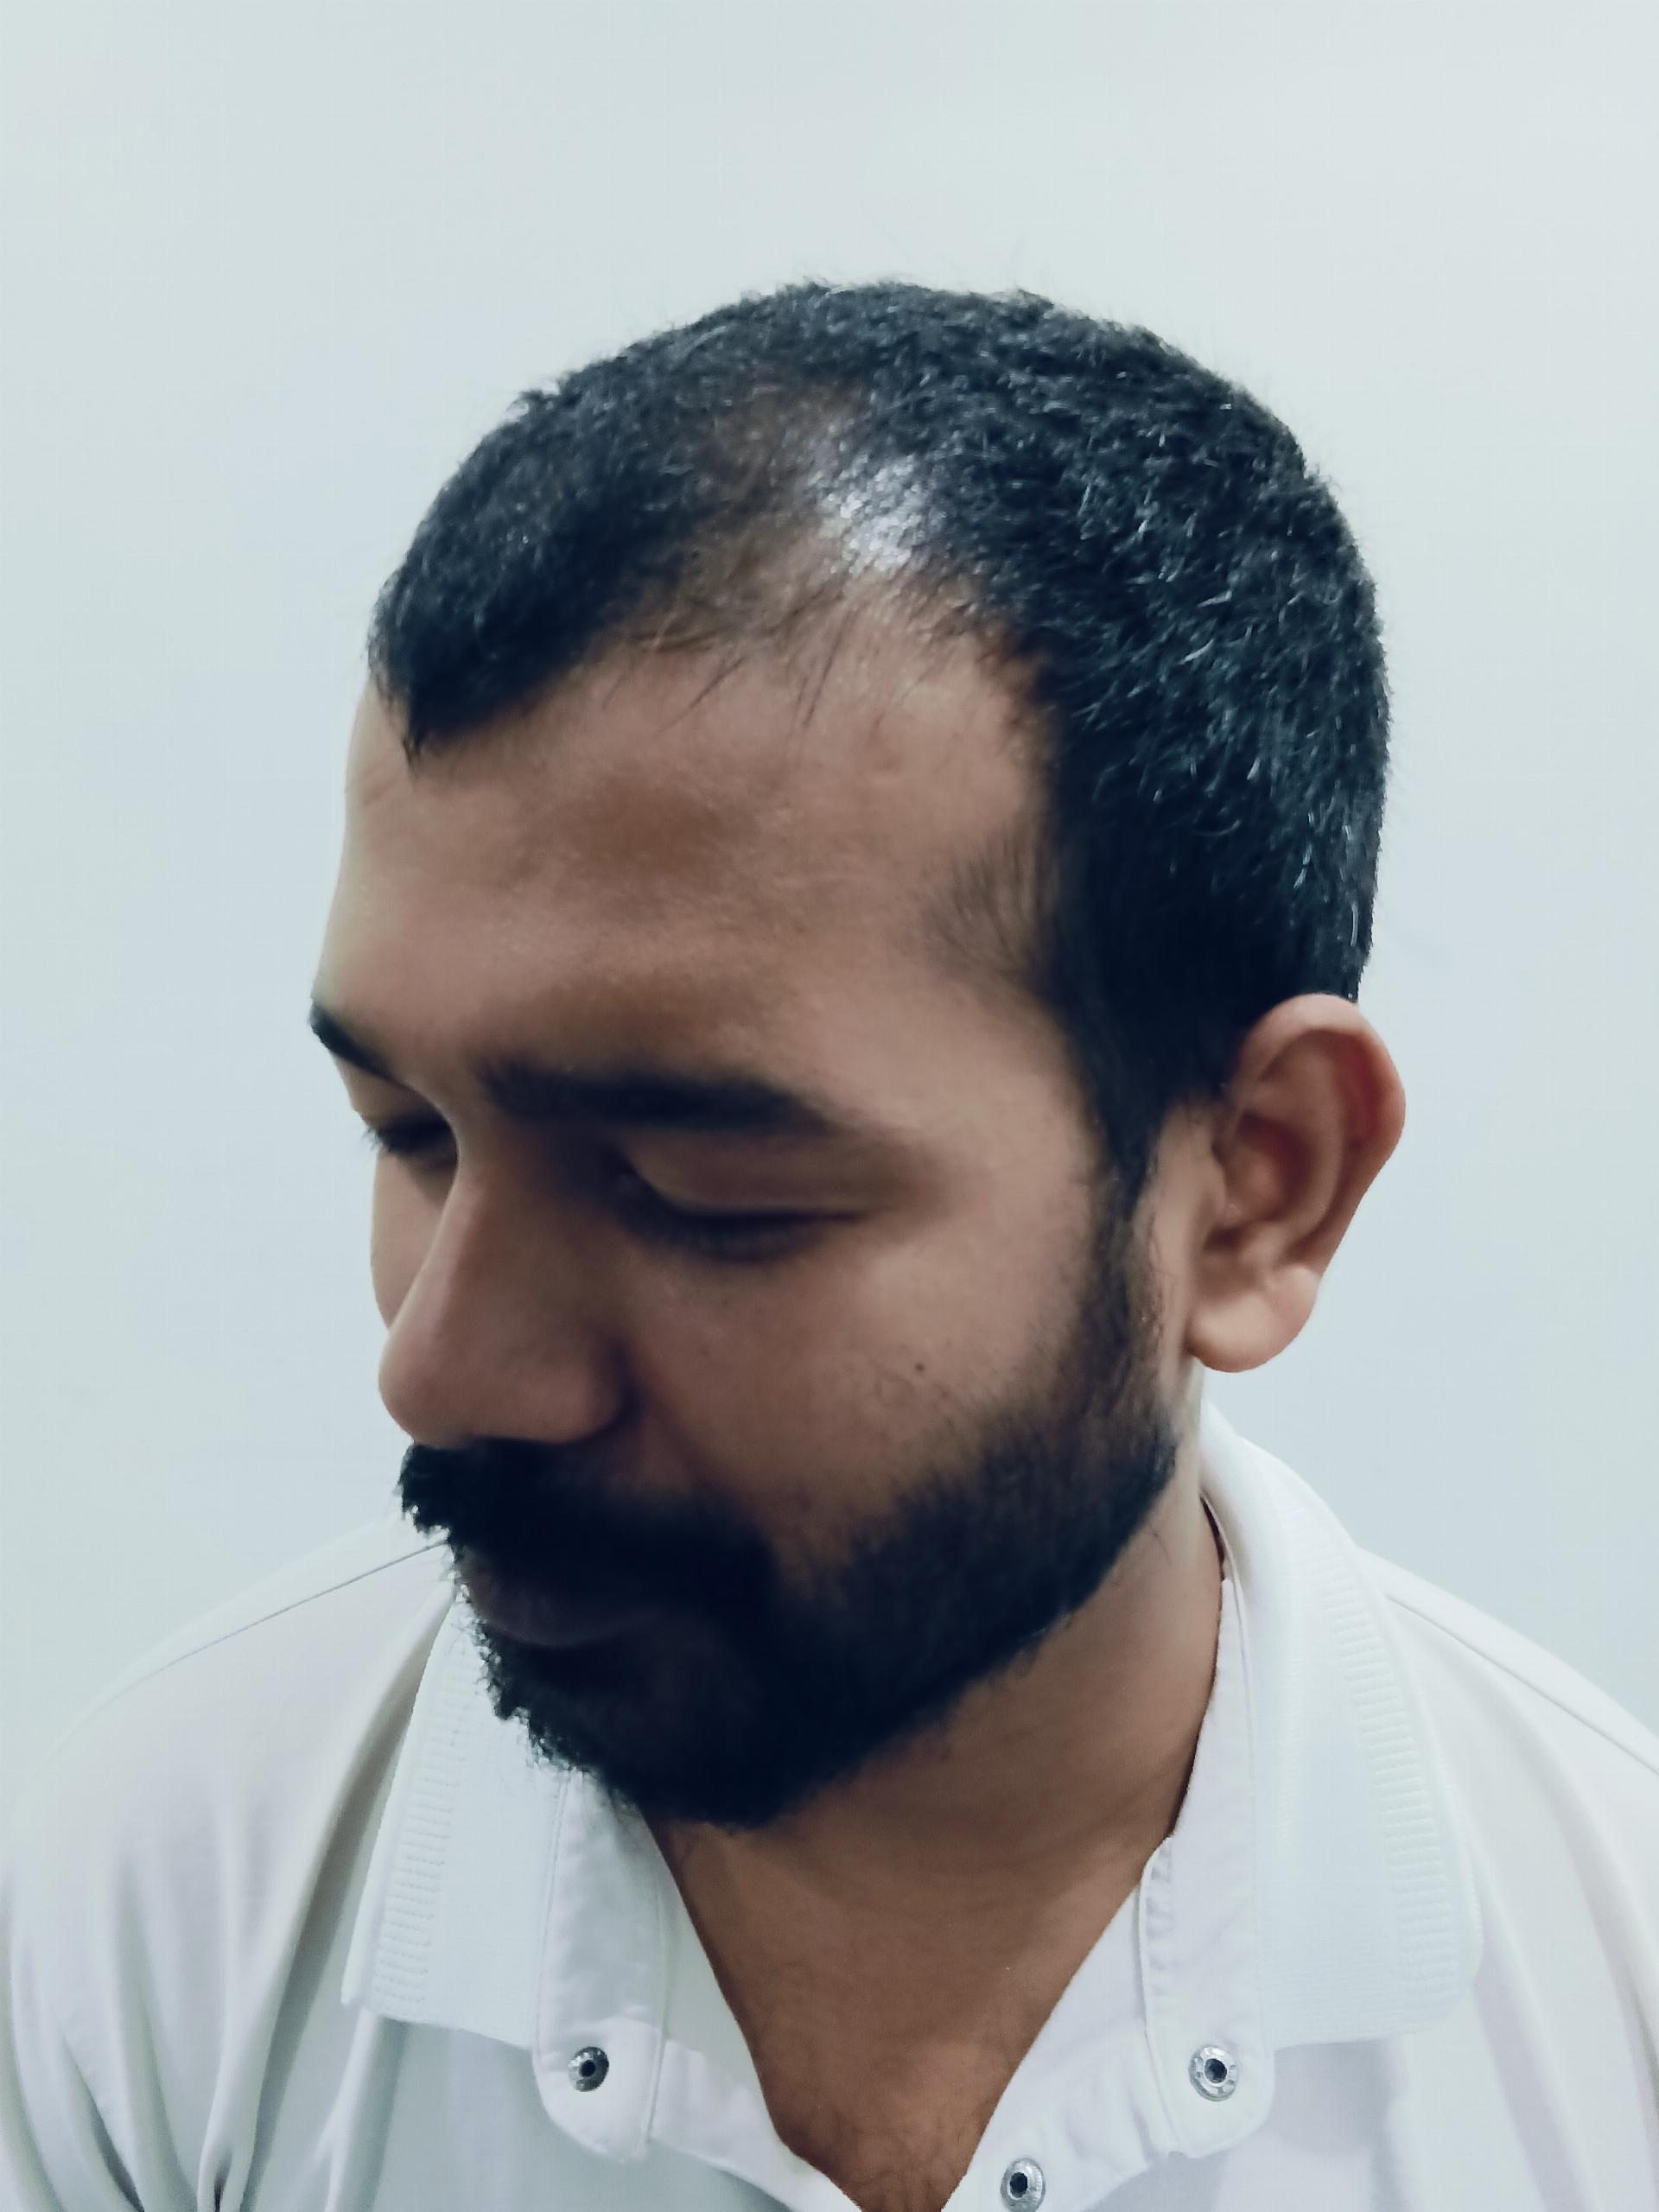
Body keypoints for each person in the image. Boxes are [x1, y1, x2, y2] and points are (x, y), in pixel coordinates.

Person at [3, 282, 1655, 2212]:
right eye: (412, 1135)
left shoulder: (1609, 2018)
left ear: (1258, 1184)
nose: (441, 1370)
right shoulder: (157, 1927)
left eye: (700, 1191)